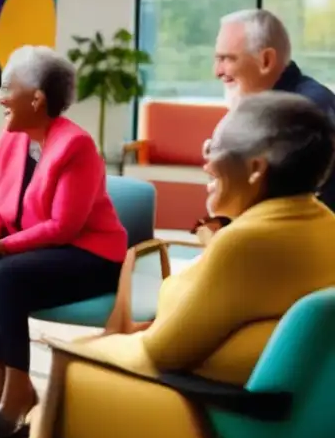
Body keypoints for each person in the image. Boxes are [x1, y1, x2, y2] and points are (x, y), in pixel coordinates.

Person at [72, 91, 335, 384]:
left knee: (70, 360)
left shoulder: (242, 242)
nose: (205, 161)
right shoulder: (326, 224)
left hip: (213, 401)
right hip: (286, 398)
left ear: (255, 169)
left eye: (215, 147)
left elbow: (162, 353)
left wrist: (80, 349)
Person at [0, 46, 128, 438]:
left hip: (90, 256)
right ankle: (11, 386)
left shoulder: (75, 146)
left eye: (8, 87)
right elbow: (0, 212)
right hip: (38, 251)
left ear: (37, 97)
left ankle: (14, 404)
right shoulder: (12, 140)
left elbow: (63, 227)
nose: (0, 97)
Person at [214, 8, 335, 210]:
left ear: (266, 61)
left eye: (228, 59)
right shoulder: (271, 105)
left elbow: (288, 210)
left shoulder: (302, 114)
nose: (217, 71)